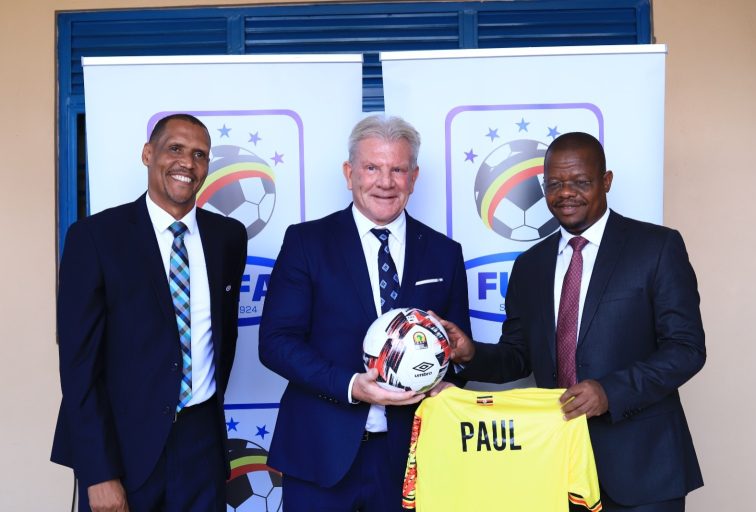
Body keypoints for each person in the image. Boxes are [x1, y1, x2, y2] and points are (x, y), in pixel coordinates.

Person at [439, 132, 705, 512]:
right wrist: (470, 354)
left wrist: (610, 391)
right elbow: (518, 356)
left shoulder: (657, 247)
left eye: (580, 181)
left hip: (642, 469)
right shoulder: (530, 266)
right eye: (554, 184)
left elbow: (686, 349)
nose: (566, 193)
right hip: (557, 464)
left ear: (606, 181)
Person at [259, 115, 471, 511]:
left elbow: (457, 353)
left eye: (398, 170)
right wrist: (350, 385)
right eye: (372, 167)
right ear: (349, 173)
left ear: (414, 177)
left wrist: (449, 378)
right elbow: (275, 343)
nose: (385, 182)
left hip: (413, 459)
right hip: (321, 454)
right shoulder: (306, 242)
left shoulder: (445, 252)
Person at [51, 113, 248, 511]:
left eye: (200, 154)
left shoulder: (228, 237)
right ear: (148, 154)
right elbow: (78, 365)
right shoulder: (94, 237)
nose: (187, 163)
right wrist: (98, 472)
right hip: (122, 445)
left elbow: (222, 336)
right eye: (175, 148)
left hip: (201, 444)